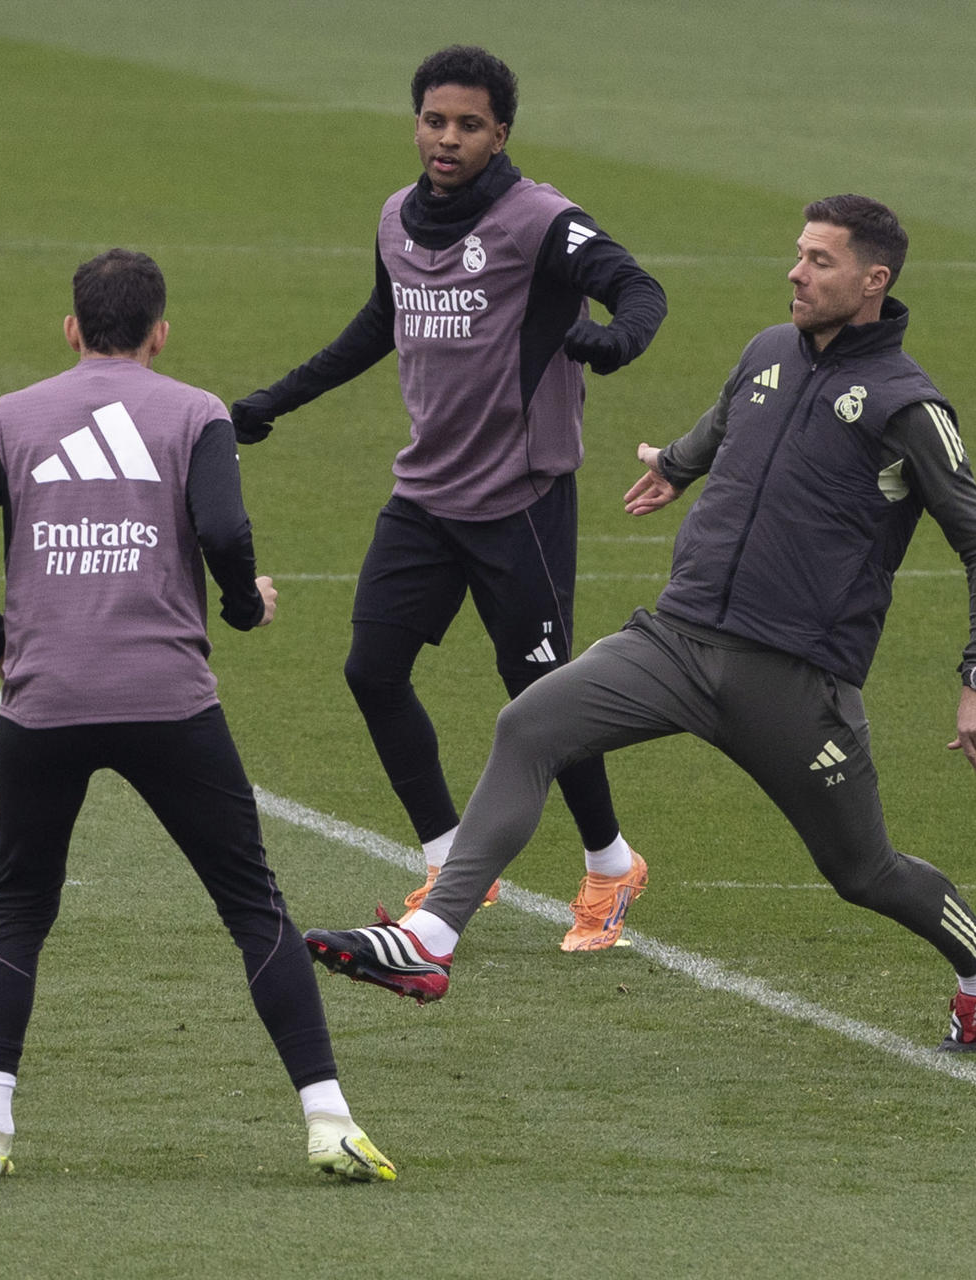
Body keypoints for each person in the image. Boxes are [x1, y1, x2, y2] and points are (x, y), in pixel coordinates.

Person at [303, 194, 976, 1054]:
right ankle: (432, 940)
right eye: (798, 253)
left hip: (791, 681)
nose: (795, 272)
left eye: (820, 261)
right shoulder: (767, 350)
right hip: (675, 641)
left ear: (874, 281)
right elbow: (728, 422)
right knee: (529, 723)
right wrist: (676, 466)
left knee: (862, 872)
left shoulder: (909, 406)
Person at [0, 249, 395, 1181]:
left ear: (71, 329)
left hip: (45, 701)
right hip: (168, 700)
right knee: (252, 906)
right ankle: (327, 1120)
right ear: (160, 333)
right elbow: (223, 532)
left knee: (17, 908)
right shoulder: (194, 411)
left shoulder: (7, 418)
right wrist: (241, 604)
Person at [229, 45, 668, 950]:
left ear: (500, 133)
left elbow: (637, 286)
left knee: (543, 699)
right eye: (435, 120)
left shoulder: (538, 218)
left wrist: (615, 341)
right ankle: (450, 854)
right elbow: (380, 323)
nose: (448, 138)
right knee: (371, 670)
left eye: (469, 125)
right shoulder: (397, 217)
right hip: (425, 496)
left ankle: (612, 866)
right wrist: (275, 400)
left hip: (521, 503)